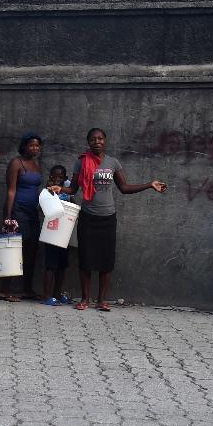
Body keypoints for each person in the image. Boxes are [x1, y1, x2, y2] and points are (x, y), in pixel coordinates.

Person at [53, 128, 167, 311]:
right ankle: (85, 299)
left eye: (100, 139)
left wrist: (149, 185)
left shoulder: (113, 163)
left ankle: (102, 300)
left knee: (106, 260)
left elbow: (124, 187)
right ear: (88, 142)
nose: (97, 142)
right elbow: (73, 189)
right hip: (88, 217)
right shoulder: (81, 162)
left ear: (105, 141)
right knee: (86, 259)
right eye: (93, 139)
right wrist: (60, 189)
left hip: (107, 218)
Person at [0, 133, 44, 302]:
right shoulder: (16, 163)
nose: (35, 148)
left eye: (37, 145)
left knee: (31, 251)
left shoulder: (35, 164)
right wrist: (8, 216)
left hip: (33, 213)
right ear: (24, 146)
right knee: (13, 251)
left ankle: (27, 289)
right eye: (31, 145)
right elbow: (11, 191)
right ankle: (4, 291)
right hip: (18, 212)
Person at [42, 165, 72, 306]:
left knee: (62, 266)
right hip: (51, 233)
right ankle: (47, 295)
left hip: (64, 233)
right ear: (50, 177)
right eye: (54, 176)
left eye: (61, 177)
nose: (57, 179)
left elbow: (73, 207)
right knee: (51, 265)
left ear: (65, 179)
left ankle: (57, 294)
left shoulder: (67, 192)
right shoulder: (47, 192)